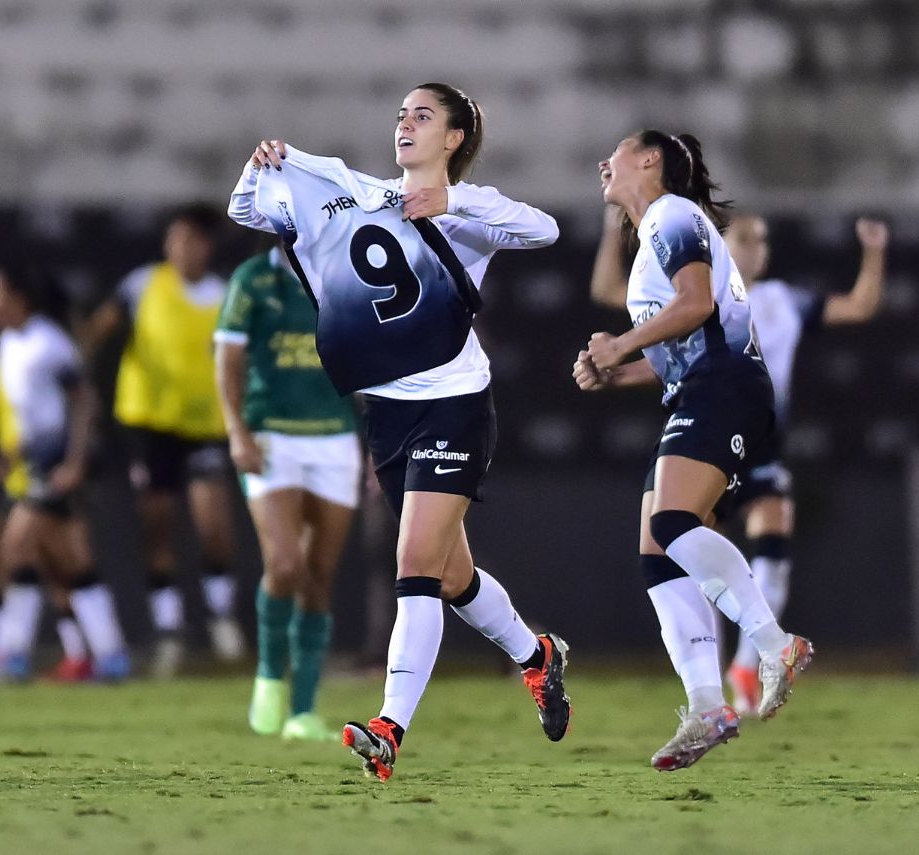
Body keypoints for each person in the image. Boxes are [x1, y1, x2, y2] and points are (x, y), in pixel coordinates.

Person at [230, 82, 570, 782]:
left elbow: (547, 229)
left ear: (454, 138)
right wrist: (258, 164)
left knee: (415, 566)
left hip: (454, 403)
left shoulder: (470, 211)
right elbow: (244, 209)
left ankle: (388, 728)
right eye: (401, 115)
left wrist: (457, 202)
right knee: (453, 576)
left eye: (423, 116)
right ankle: (537, 656)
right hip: (386, 413)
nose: (405, 124)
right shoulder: (350, 193)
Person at [574, 131, 814, 771]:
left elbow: (696, 304)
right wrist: (614, 371)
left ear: (650, 160)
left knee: (673, 524)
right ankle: (707, 704)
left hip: (725, 387)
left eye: (619, 151)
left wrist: (619, 346)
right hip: (701, 388)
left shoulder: (673, 215)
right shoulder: (655, 233)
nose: (606, 162)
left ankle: (773, 643)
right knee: (658, 549)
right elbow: (681, 343)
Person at [592, 208, 887, 715]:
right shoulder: (693, 291)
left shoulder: (779, 300)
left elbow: (859, 307)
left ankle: (750, 664)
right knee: (681, 544)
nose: (758, 248)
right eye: (746, 239)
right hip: (709, 427)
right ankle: (720, 676)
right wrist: (609, 229)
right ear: (720, 245)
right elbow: (609, 292)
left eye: (764, 240)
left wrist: (875, 250)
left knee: (763, 529)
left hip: (757, 438)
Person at [83, 205, 245, 676]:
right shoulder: (142, 285)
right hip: (151, 427)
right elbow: (97, 332)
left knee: (214, 525)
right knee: (157, 524)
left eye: (190, 240)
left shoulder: (224, 294)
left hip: (207, 427)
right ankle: (170, 629)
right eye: (174, 239)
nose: (179, 249)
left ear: (206, 246)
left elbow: (240, 359)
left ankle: (220, 616)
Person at [0, 264, 132, 682]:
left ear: (18, 298)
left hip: (57, 462)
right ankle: (111, 655)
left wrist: (74, 463)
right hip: (36, 460)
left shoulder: (47, 342)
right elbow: (29, 413)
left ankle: (12, 655)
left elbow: (84, 402)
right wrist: (11, 456)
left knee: (15, 547)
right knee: (69, 562)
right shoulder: (10, 344)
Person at [215, 243, 361, 741]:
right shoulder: (252, 279)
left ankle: (302, 711)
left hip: (335, 438)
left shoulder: (347, 274)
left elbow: (369, 363)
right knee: (284, 565)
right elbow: (227, 358)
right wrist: (236, 431)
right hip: (271, 434)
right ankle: (270, 678)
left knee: (318, 576)